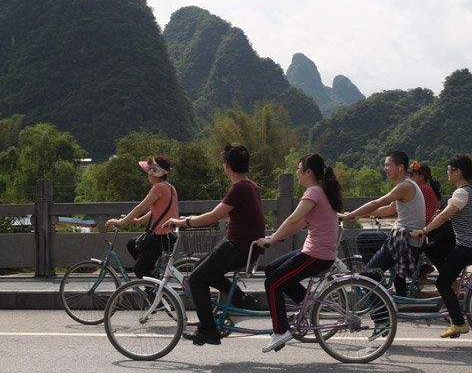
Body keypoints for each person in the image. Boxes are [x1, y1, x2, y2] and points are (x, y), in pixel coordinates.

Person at [163, 142, 265, 346]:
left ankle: (208, 330)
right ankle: (240, 298)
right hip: (245, 247)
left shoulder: (239, 188)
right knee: (202, 268)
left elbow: (214, 216)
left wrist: (183, 222)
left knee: (196, 280)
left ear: (226, 165)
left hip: (238, 247)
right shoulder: (251, 186)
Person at [256, 153, 343, 353]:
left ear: (309, 172)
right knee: (271, 269)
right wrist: (276, 237)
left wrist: (272, 238)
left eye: (299, 168)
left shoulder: (313, 192)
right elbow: (302, 224)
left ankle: (281, 331)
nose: (297, 172)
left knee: (272, 284)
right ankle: (308, 302)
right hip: (316, 252)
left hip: (316, 255)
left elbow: (293, 219)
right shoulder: (321, 191)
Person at [410, 154, 472, 338]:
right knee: (432, 248)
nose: (447, 171)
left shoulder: (462, 193)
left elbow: (444, 217)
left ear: (457, 172)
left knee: (441, 282)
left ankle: (459, 323)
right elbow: (445, 216)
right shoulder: (467, 191)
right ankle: (452, 282)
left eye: (449, 168)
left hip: (469, 245)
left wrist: (424, 230)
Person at [341, 151, 426, 298]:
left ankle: (382, 314)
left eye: (387, 165)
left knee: (365, 278)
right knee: (363, 238)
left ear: (400, 167)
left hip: (405, 240)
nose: (385, 168)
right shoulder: (406, 185)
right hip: (405, 238)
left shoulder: (404, 186)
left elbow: (377, 203)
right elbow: (390, 209)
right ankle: (378, 276)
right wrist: (361, 215)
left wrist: (348, 215)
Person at [105, 156, 178, 279]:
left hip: (160, 236)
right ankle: (151, 274)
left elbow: (140, 208)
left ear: (155, 173)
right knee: (131, 244)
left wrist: (120, 222)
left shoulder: (158, 187)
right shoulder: (170, 188)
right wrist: (138, 220)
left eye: (148, 172)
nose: (147, 175)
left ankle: (153, 293)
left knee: (139, 270)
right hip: (168, 236)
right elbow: (156, 211)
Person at [407, 161, 441, 279]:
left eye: (413, 174)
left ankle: (421, 267)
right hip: (425, 227)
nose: (410, 177)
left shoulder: (423, 189)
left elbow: (405, 203)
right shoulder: (424, 188)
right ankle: (420, 267)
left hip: (426, 229)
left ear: (422, 177)